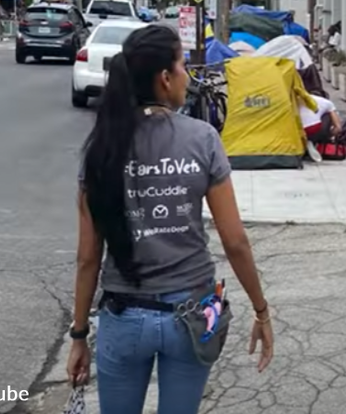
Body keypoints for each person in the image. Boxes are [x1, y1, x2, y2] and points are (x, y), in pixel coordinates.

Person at [67, 24, 274, 414]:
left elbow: (87, 257)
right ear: (165, 79)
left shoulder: (100, 147)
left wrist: (79, 335)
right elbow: (235, 241)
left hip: (123, 316)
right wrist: (261, 310)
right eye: (182, 66)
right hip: (190, 318)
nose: (187, 76)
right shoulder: (202, 138)